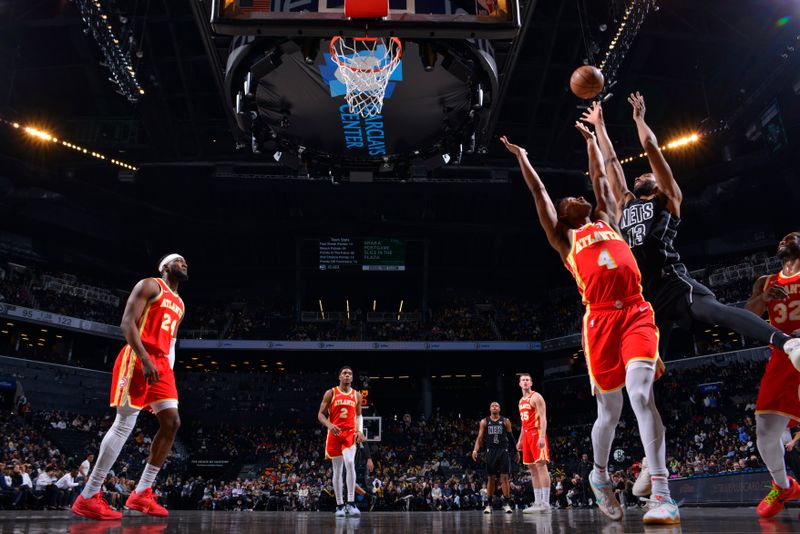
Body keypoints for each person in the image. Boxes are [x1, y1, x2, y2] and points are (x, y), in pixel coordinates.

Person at [501, 124, 679, 525]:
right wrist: (523, 158)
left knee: (640, 395)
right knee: (610, 411)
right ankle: (599, 476)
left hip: (635, 311)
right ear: (564, 215)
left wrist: (591, 142)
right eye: (571, 198)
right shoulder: (564, 239)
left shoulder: (609, 219)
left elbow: (599, 178)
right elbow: (540, 194)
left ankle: (662, 494)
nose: (579, 197)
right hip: (599, 321)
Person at [581, 95, 799, 367]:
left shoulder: (668, 197)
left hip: (670, 278)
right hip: (642, 293)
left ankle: (787, 342)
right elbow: (612, 163)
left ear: (657, 183)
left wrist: (639, 119)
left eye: (645, 175)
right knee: (642, 367)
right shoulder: (625, 203)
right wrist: (599, 126)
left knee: (715, 311)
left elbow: (650, 146)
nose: (637, 176)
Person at [71, 254, 188, 520]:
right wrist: (146, 359)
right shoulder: (150, 285)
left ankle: (142, 493)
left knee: (172, 423)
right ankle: (88, 495)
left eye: (186, 263)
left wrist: (165, 371)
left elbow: (170, 343)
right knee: (124, 423)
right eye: (179, 261)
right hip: (138, 357)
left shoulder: (180, 303)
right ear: (165, 266)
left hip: (161, 364)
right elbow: (127, 323)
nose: (184, 264)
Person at [744, 232, 800, 517]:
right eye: (780, 239)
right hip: (782, 355)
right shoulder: (765, 282)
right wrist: (764, 297)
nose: (783, 240)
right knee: (764, 431)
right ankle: (783, 485)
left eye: (791, 237)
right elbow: (747, 316)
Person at [318, 365, 366, 517]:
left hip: (349, 433)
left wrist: (359, 430)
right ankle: (339, 505)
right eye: (344, 373)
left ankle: (351, 503)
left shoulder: (357, 395)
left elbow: (359, 416)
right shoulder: (331, 393)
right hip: (334, 433)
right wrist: (330, 425)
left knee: (350, 463)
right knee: (337, 470)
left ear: (352, 378)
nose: (347, 375)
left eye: (350, 373)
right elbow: (320, 414)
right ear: (339, 377)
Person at [471, 401, 516, 513]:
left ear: (499, 409)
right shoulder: (484, 421)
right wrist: (475, 449)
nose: (494, 407)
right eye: (492, 405)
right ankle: (489, 504)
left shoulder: (505, 421)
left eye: (496, 405)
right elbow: (480, 438)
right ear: (490, 409)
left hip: (503, 451)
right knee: (491, 478)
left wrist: (516, 451)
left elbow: (511, 437)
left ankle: (507, 504)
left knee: (504, 478)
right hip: (490, 451)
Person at [514, 375, 551, 513]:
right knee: (532, 470)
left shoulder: (536, 397)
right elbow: (524, 425)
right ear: (519, 384)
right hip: (527, 435)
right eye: (522, 380)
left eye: (527, 380)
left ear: (531, 382)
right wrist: (520, 440)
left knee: (541, 466)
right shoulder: (520, 401)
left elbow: (543, 418)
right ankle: (538, 502)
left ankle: (546, 503)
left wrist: (542, 436)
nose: (525, 382)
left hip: (537, 433)